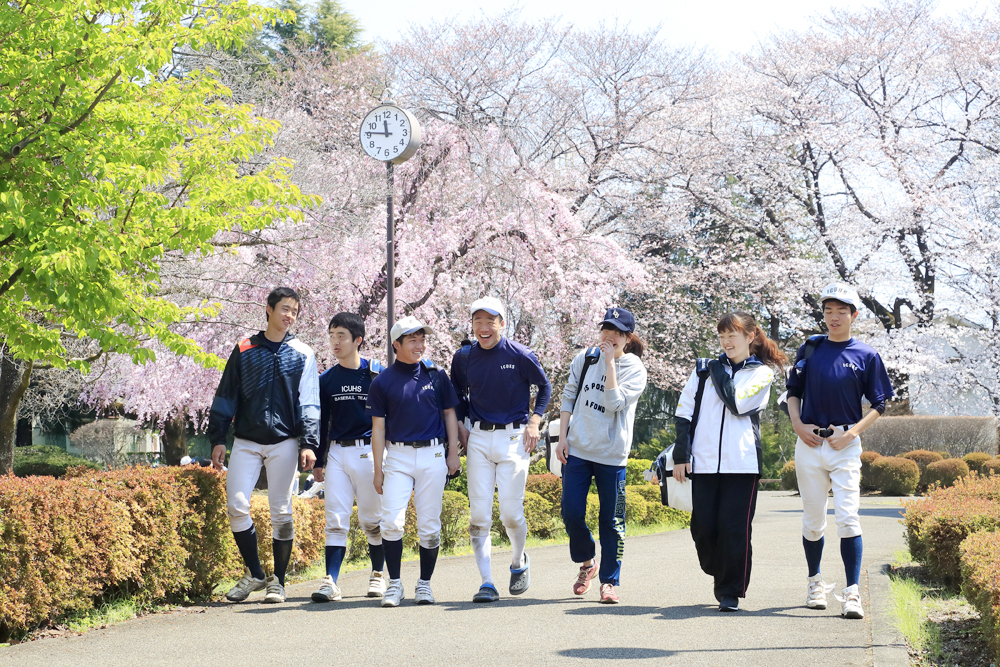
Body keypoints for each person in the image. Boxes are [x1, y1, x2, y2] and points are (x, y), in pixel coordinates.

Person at [786, 283, 894, 619]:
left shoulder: (867, 355)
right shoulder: (810, 349)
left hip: (845, 445)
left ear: (854, 315)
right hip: (809, 444)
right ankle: (815, 582)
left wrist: (853, 435)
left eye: (841, 311)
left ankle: (852, 593)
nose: (834, 317)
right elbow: (793, 393)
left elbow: (879, 403)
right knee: (814, 521)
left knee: (848, 519)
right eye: (828, 310)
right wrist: (797, 426)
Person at [208, 287, 320, 604]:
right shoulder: (244, 348)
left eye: (294, 312)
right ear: (268, 309)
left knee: (281, 511)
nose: (289, 316)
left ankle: (278, 582)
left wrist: (309, 443)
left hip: (285, 441)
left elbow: (310, 403)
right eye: (284, 309)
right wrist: (218, 437)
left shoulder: (303, 352)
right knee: (236, 505)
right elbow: (226, 395)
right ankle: (256, 573)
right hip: (245, 440)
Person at [671, 312, 787, 612]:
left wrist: (716, 370)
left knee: (734, 529)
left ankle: (730, 591)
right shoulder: (701, 371)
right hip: (705, 462)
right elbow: (684, 412)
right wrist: (681, 455)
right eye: (722, 335)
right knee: (703, 527)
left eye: (732, 335)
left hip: (742, 464)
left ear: (750, 337)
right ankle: (719, 570)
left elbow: (737, 403)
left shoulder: (761, 373)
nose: (725, 341)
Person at [450, 297, 552, 603]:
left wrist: (535, 422)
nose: (483, 328)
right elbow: (456, 394)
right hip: (479, 438)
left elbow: (544, 387)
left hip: (514, 439)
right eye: (477, 322)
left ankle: (518, 561)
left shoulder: (520, 355)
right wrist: (461, 425)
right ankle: (487, 582)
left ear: (502, 324)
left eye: (490, 322)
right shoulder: (464, 357)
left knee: (510, 513)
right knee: (479, 516)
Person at [367, 315, 462, 607]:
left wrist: (453, 453)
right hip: (397, 457)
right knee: (391, 522)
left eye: (422, 339)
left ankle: (424, 584)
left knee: (430, 525)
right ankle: (394, 584)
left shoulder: (436, 375)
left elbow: (449, 414)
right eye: (412, 340)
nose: (420, 345)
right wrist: (378, 469)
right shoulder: (382, 381)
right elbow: (378, 429)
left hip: (433, 455)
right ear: (397, 344)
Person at [555, 307, 648, 604]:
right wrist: (562, 438)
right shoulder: (584, 358)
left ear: (627, 337)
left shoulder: (634, 369)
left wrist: (610, 364)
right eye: (605, 329)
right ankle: (587, 562)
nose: (609, 336)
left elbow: (614, 403)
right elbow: (569, 395)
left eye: (616, 332)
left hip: (612, 456)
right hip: (578, 449)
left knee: (612, 521)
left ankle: (609, 582)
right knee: (570, 512)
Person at [310, 312, 387, 602]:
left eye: (341, 335)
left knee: (372, 519)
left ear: (358, 340)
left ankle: (378, 574)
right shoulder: (326, 379)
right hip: (338, 454)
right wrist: (320, 460)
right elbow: (322, 422)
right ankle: (331, 581)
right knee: (335, 519)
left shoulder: (376, 374)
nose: (335, 342)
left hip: (369, 452)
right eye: (331, 335)